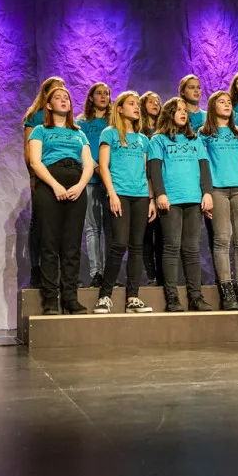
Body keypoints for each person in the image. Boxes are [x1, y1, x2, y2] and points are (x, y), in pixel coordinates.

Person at [26, 85, 95, 315]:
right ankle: (50, 300)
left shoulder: (79, 133)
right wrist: (55, 185)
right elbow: (35, 162)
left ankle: (70, 298)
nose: (64, 100)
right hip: (49, 185)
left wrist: (79, 186)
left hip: (76, 185)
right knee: (50, 244)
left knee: (72, 245)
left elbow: (89, 164)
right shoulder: (40, 130)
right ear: (48, 105)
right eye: (58, 97)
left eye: (66, 97)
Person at [149, 97, 214, 312]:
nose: (183, 113)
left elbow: (204, 167)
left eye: (185, 110)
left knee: (192, 249)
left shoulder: (194, 140)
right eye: (178, 110)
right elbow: (155, 169)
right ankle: (172, 298)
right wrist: (160, 194)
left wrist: (207, 193)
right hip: (171, 199)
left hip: (193, 198)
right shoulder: (158, 140)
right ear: (169, 114)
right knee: (171, 247)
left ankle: (196, 297)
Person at [95, 91, 155, 314]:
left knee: (137, 247)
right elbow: (103, 166)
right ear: (119, 109)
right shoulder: (109, 134)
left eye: (137, 104)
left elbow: (147, 172)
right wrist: (112, 194)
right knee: (119, 244)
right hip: (119, 193)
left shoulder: (143, 140)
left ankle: (133, 297)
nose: (136, 107)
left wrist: (150, 199)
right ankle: (104, 295)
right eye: (131, 104)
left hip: (140, 196)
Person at [201, 90, 238, 310]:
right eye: (221, 102)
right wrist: (205, 193)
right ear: (212, 107)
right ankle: (227, 292)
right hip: (217, 190)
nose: (227, 105)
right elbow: (203, 165)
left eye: (229, 102)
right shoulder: (204, 133)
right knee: (222, 239)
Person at [22, 76, 66, 288]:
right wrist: (32, 175)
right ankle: (36, 269)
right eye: (56, 90)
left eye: (63, 90)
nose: (61, 93)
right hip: (41, 173)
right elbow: (28, 150)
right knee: (39, 222)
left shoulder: (67, 120)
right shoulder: (35, 117)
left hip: (66, 175)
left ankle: (57, 272)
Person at [77, 82, 113, 290]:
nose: (103, 97)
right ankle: (96, 273)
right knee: (92, 228)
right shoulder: (80, 123)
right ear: (91, 97)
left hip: (110, 182)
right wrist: (94, 166)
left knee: (110, 231)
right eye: (99, 93)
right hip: (90, 180)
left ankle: (110, 273)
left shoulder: (113, 121)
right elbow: (79, 148)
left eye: (107, 93)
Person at [139, 90, 164, 284]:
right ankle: (151, 274)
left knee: (163, 234)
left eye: (158, 101)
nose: (155, 104)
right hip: (142, 183)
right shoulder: (138, 132)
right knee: (147, 234)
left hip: (163, 183)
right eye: (151, 101)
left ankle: (163, 275)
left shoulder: (165, 130)